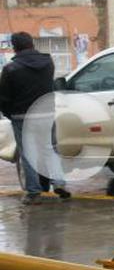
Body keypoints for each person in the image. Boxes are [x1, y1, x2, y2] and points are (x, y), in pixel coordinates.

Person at [0, 32, 70, 204]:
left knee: (28, 154)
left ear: (14, 47)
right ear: (32, 44)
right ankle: (59, 182)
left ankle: (33, 192)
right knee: (49, 149)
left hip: (22, 117)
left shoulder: (10, 69)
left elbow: (3, 98)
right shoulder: (48, 63)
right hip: (46, 113)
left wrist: (11, 114)